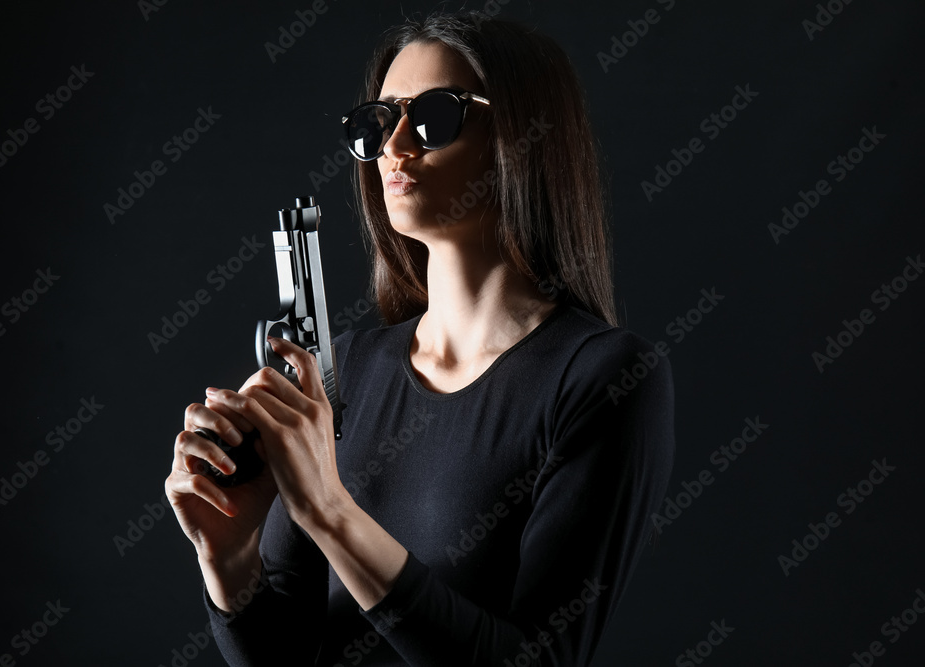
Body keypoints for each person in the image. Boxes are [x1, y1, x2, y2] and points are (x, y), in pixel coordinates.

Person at [165, 11, 675, 666]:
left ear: (523, 136)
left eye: (434, 116)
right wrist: (230, 565)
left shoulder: (604, 380)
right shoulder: (346, 366)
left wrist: (331, 511)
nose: (396, 147)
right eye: (378, 123)